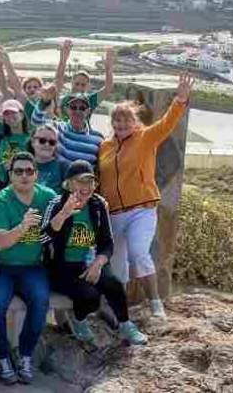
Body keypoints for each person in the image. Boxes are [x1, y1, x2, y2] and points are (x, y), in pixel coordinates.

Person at [97, 73, 193, 319]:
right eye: (117, 123)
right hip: (114, 213)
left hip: (141, 208)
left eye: (126, 123)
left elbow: (166, 124)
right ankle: (117, 309)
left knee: (139, 254)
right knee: (116, 265)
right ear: (112, 124)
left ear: (134, 122)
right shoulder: (105, 147)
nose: (121, 127)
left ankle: (155, 302)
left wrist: (180, 100)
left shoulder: (144, 138)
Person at [42, 161, 147, 345]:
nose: (86, 188)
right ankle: (79, 319)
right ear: (69, 184)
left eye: (90, 183)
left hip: (91, 261)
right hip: (63, 267)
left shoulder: (97, 205)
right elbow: (42, 238)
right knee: (90, 297)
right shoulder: (57, 204)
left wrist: (98, 263)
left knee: (114, 284)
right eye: (80, 182)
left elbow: (107, 243)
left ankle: (125, 325)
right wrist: (64, 214)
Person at [0, 152, 57, 385]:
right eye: (19, 171)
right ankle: (2, 356)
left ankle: (25, 354)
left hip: (32, 267)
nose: (24, 176)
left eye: (29, 171)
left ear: (36, 174)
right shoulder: (0, 202)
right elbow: (0, 243)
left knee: (40, 300)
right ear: (10, 175)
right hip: (4, 266)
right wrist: (24, 225)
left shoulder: (47, 196)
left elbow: (69, 206)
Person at [57, 41, 116, 120]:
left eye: (83, 85)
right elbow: (58, 81)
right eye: (77, 84)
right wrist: (63, 60)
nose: (79, 87)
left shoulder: (90, 100)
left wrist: (108, 67)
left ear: (88, 86)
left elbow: (108, 88)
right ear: (72, 83)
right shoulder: (64, 98)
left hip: (83, 132)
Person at [56, 93, 104, 167]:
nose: (77, 111)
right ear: (67, 110)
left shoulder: (98, 138)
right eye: (73, 107)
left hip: (86, 177)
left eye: (82, 108)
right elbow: (37, 121)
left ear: (88, 111)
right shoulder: (58, 128)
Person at [0, 99, 31, 187]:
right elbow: (2, 171)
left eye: (13, 112)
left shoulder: (32, 138)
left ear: (22, 115)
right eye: (6, 114)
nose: (10, 116)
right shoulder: (4, 142)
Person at [30, 123, 68, 191]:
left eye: (52, 142)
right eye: (42, 141)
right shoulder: (23, 163)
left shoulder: (63, 166)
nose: (47, 145)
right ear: (33, 142)